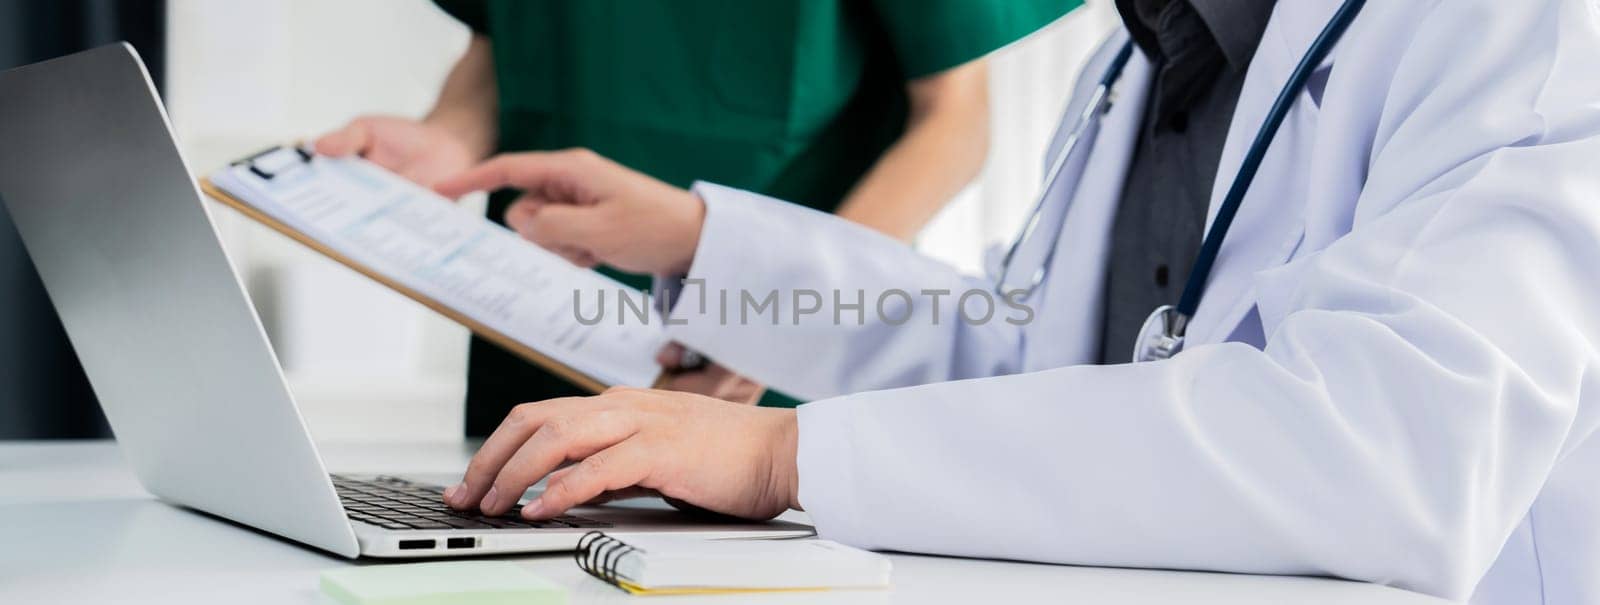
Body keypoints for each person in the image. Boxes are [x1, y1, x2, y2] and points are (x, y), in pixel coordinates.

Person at [432, 0, 1599, 603]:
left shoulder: (1519, 26)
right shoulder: (1136, 59)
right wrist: (707, 242)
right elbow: (1025, 361)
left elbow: (1389, 446)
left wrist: (786, 455)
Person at [316, 0, 1080, 429]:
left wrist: (783, 308)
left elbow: (953, 119)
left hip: (763, 386)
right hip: (534, 349)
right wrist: (448, 141)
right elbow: (501, 41)